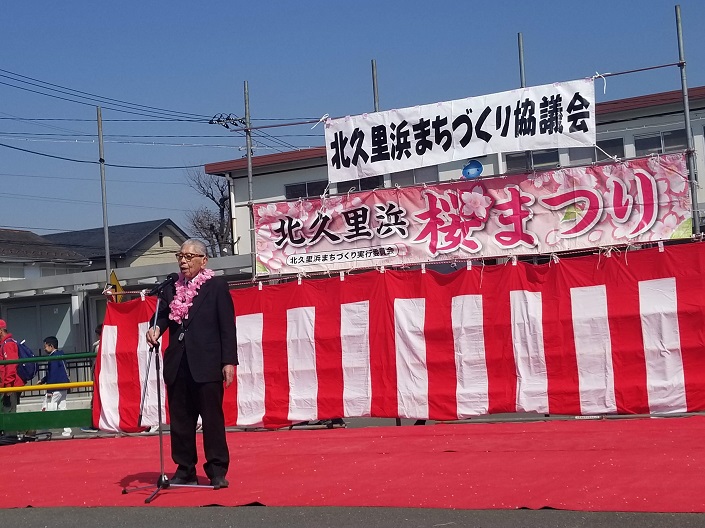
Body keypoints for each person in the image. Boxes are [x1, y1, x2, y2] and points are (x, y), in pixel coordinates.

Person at [146, 239, 237, 490]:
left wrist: (229, 361)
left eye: (189, 256)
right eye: (180, 256)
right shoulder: (170, 287)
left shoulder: (216, 286)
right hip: (178, 362)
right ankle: (185, 469)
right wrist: (155, 328)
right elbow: (162, 316)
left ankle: (217, 470)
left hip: (207, 362)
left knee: (212, 420)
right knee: (181, 421)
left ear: (203, 261)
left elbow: (227, 325)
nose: (183, 261)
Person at [39, 336, 72, 437]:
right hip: (63, 386)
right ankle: (67, 430)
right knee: (62, 407)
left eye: (45, 346)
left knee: (46, 406)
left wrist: (49, 390)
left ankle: (44, 430)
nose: (44, 349)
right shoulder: (61, 355)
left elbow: (52, 374)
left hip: (55, 387)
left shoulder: (53, 358)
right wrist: (43, 380)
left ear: (51, 346)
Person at [0, 319, 23, 437]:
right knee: (6, 412)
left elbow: (11, 366)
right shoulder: (5, 344)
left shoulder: (8, 344)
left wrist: (8, 386)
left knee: (8, 411)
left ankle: (11, 437)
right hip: (6, 385)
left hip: (9, 385)